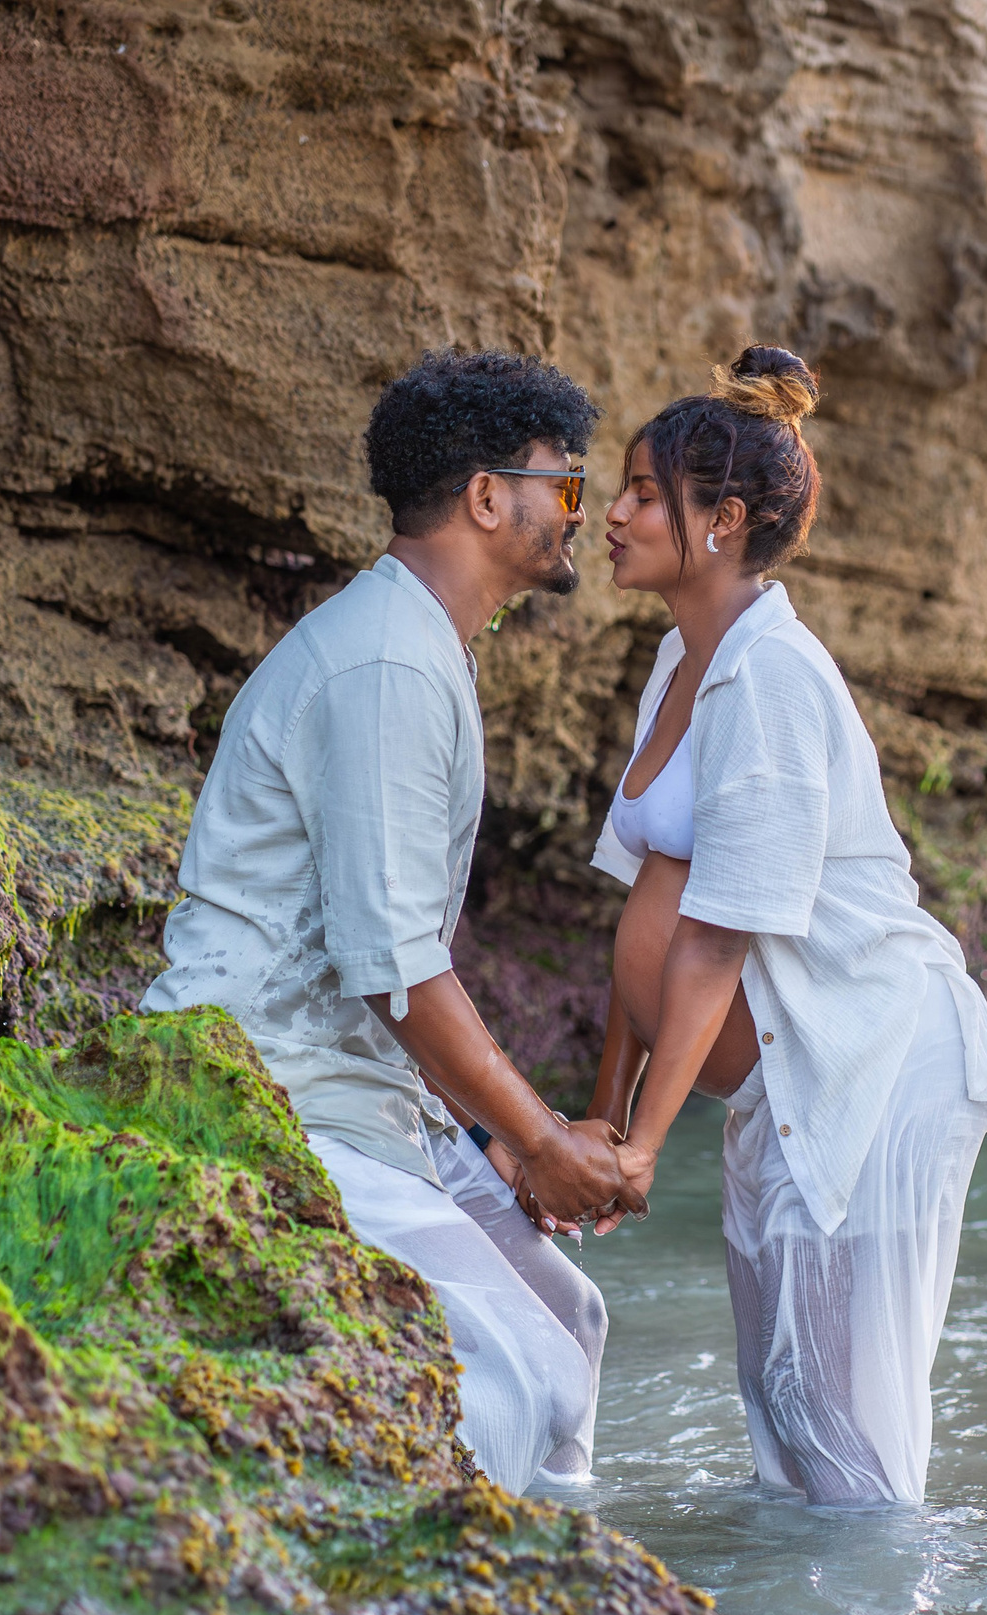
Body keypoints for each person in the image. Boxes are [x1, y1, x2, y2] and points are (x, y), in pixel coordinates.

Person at [139, 349, 639, 1491]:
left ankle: (560, 1569)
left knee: (572, 1317)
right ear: (486, 497)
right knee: (530, 1379)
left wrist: (491, 1132)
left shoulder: (417, 646)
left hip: (365, 1095)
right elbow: (395, 967)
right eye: (563, 484)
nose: (578, 512)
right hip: (276, 1092)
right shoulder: (387, 665)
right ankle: (448, 1566)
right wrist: (540, 1140)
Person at [576, 345, 987, 1507]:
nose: (611, 514)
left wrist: (640, 1147)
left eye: (641, 494)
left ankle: (892, 1612)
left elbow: (715, 936)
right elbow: (646, 899)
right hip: (785, 1058)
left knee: (835, 1421)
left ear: (721, 521)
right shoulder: (683, 655)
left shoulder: (770, 673)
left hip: (871, 1052)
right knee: (779, 1402)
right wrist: (605, 1111)